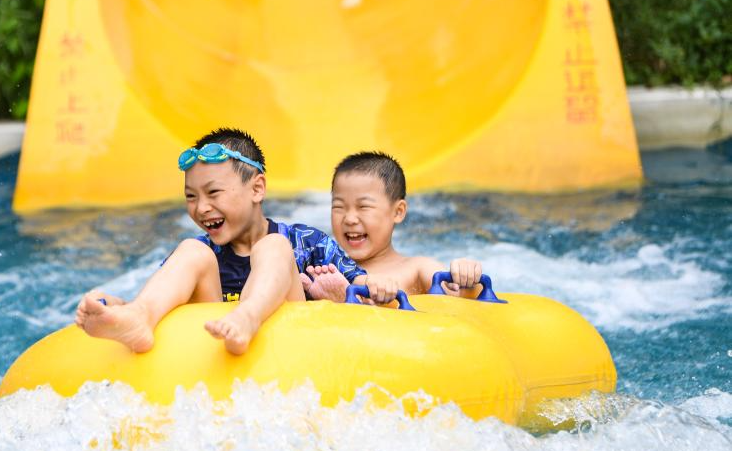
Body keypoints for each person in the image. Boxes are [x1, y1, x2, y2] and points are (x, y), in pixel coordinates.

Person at [75, 129, 394, 355]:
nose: (201, 208)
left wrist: (371, 290)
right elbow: (167, 294)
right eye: (191, 197)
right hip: (214, 350)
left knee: (273, 246)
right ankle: (139, 320)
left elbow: (367, 290)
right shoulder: (203, 253)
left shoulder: (308, 243)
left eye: (213, 193)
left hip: (292, 351)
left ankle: (247, 317)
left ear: (257, 189)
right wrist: (116, 306)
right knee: (192, 250)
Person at [305, 151, 483, 301]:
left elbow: (457, 302)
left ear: (398, 212)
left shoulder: (416, 270)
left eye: (363, 206)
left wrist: (466, 279)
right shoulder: (322, 270)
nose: (350, 218)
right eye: (338, 207)